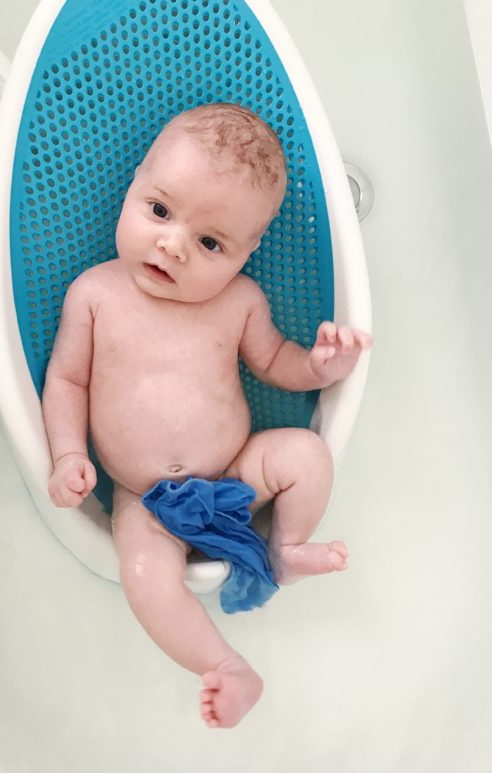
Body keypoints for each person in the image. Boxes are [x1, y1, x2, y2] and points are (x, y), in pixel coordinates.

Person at [41, 103, 372, 729]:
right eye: (160, 210)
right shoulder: (94, 293)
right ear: (134, 181)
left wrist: (321, 367)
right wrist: (68, 455)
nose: (173, 245)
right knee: (143, 571)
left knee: (306, 455)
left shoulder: (239, 302)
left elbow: (276, 361)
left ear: (245, 254)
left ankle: (287, 546)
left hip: (235, 476)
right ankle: (224, 664)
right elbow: (67, 380)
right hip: (144, 498)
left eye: (210, 242)